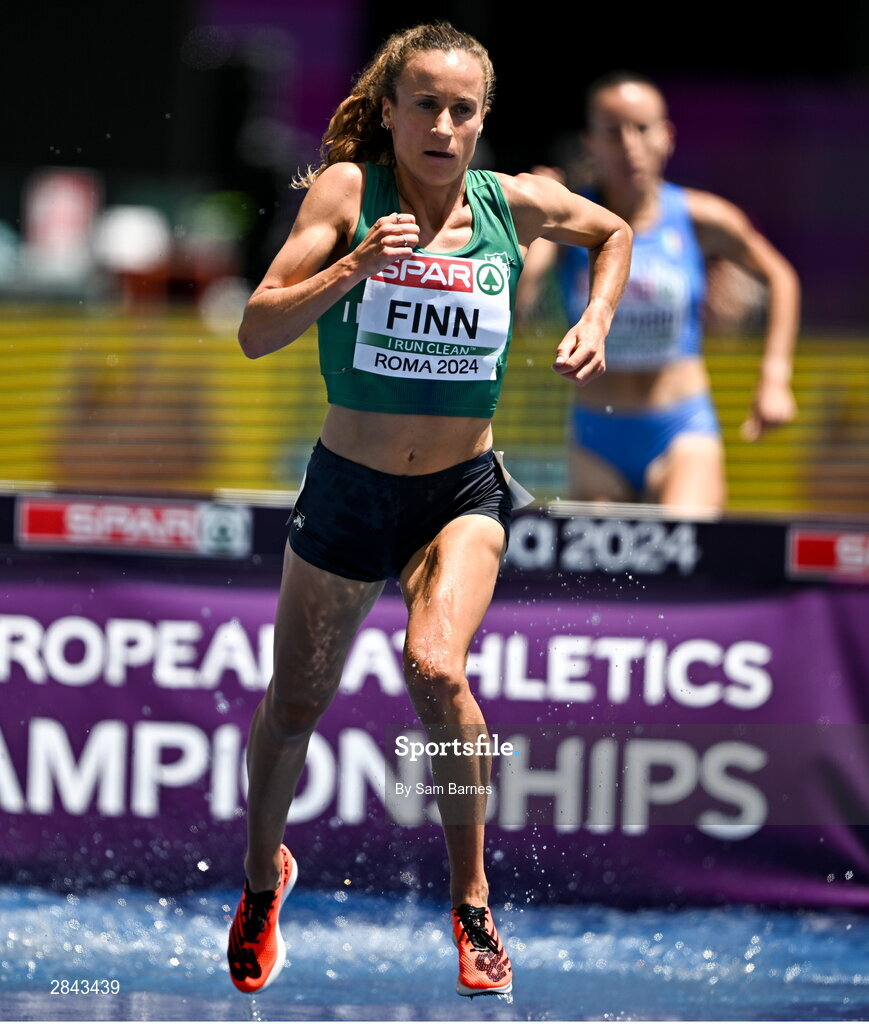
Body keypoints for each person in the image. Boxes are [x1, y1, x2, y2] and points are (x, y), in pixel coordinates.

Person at [224, 22, 631, 1000]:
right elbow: (254, 331)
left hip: (460, 493)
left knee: (434, 666)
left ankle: (472, 903)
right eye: (425, 106)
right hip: (350, 490)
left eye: (462, 110)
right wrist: (352, 268)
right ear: (393, 110)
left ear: (480, 120)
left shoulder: (512, 203)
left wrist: (594, 315)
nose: (443, 126)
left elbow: (610, 231)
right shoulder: (346, 194)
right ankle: (258, 881)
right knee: (293, 706)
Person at [517, 71, 800, 510]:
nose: (629, 144)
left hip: (681, 429)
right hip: (595, 437)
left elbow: (781, 277)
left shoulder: (699, 217)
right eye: (612, 132)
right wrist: (537, 217)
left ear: (667, 137)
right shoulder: (570, 218)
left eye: (642, 129)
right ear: (590, 142)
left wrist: (775, 377)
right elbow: (522, 302)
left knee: (684, 553)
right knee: (599, 576)